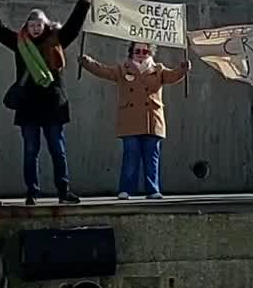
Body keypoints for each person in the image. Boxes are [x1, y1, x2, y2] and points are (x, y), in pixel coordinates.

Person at [0, 0, 92, 205]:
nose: (35, 28)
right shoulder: (20, 44)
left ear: (45, 25)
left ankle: (64, 190)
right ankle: (32, 191)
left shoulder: (57, 39)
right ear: (26, 27)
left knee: (58, 149)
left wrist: (84, 1)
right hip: (28, 106)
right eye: (31, 25)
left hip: (53, 105)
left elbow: (74, 25)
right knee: (31, 151)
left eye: (39, 24)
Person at [79, 41, 189, 199]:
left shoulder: (158, 70)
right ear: (131, 51)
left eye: (145, 51)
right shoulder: (122, 69)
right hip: (129, 120)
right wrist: (87, 62)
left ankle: (153, 190)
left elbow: (172, 76)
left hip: (152, 120)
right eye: (138, 50)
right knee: (130, 155)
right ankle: (126, 190)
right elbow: (103, 71)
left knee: (152, 157)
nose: (141, 53)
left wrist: (183, 68)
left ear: (150, 53)